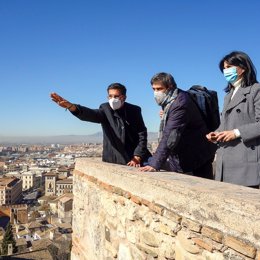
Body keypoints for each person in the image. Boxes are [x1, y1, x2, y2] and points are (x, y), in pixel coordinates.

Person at [50, 83, 151, 166]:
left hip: (135, 156)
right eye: (110, 96)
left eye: (116, 96)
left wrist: (137, 156)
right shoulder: (105, 109)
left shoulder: (134, 110)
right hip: (115, 158)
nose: (113, 99)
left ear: (124, 97)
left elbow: (142, 133)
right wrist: (72, 107)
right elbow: (91, 114)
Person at [140, 72, 216, 179]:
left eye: (159, 89)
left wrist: (154, 164)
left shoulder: (180, 103)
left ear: (169, 87)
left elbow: (170, 135)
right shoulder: (172, 100)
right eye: (154, 89)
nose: (156, 93)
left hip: (196, 156)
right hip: (188, 154)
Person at [206, 51, 260, 188]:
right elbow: (226, 124)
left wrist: (236, 133)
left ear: (243, 67)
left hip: (245, 163)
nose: (226, 71)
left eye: (229, 67)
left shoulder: (256, 90)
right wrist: (216, 134)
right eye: (224, 68)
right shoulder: (228, 95)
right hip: (225, 160)